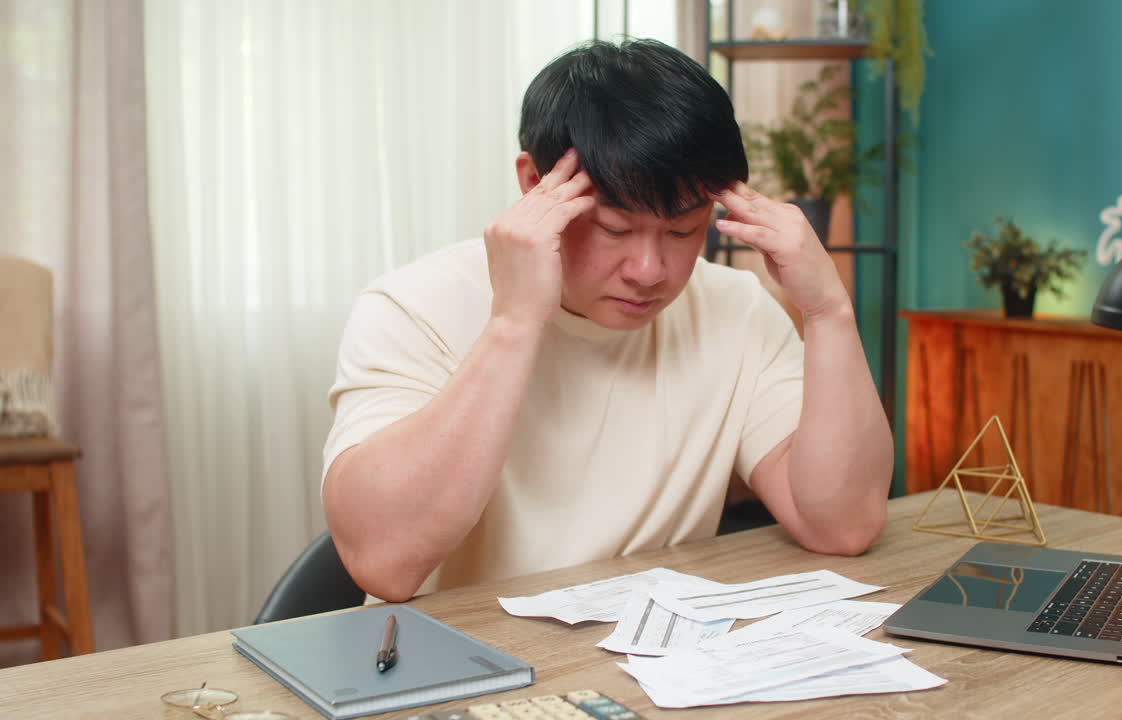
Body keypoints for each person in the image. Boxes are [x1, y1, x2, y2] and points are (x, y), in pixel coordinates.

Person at [321, 38, 893, 603]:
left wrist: (828, 312)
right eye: (615, 229)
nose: (650, 270)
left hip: (651, 667)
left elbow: (841, 526)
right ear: (533, 185)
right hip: (462, 668)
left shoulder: (734, 308)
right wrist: (515, 324)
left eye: (682, 231)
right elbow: (383, 561)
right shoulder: (412, 306)